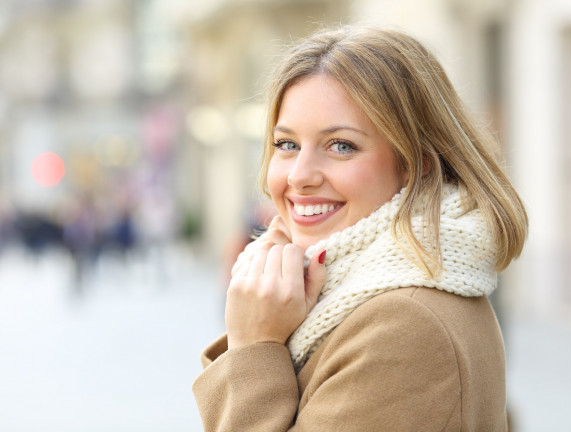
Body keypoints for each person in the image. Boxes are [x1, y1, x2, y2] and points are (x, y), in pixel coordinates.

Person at [192, 25, 528, 431]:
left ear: (417, 164)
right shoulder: (365, 291)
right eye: (287, 144)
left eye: (341, 146)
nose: (300, 176)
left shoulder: (403, 323)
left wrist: (255, 345)